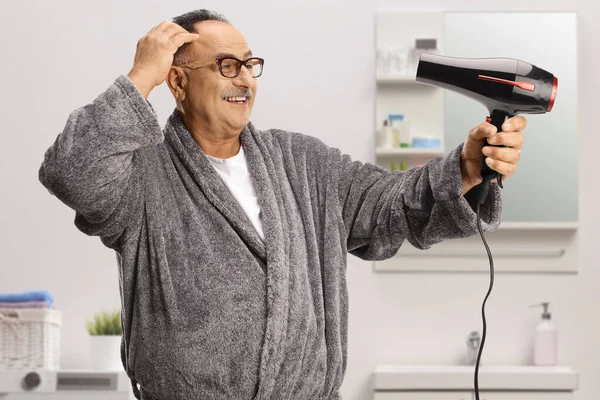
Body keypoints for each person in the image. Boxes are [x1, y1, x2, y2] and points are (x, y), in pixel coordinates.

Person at [38, 9, 526, 400]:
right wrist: (140, 76)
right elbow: (70, 171)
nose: (245, 79)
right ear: (178, 82)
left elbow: (390, 205)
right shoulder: (141, 176)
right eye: (226, 65)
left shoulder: (304, 163)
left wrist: (464, 169)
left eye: (250, 64)